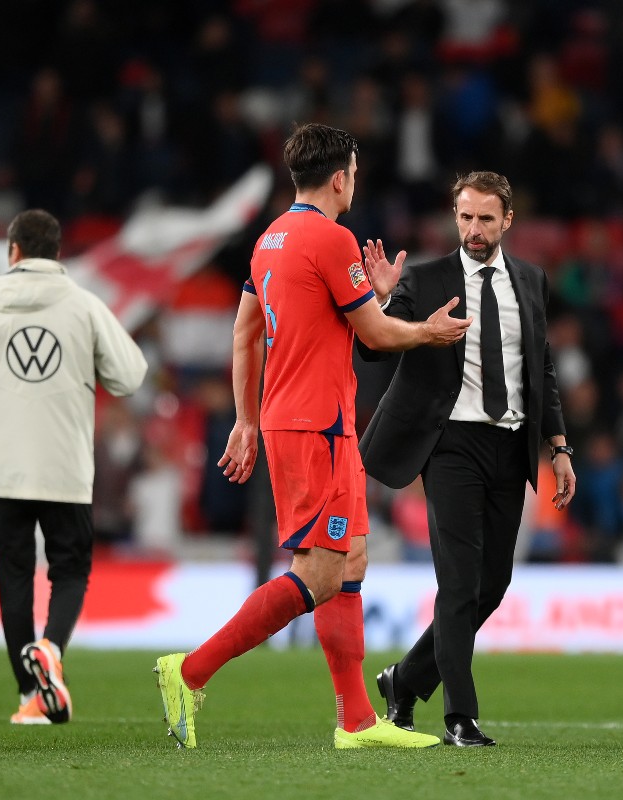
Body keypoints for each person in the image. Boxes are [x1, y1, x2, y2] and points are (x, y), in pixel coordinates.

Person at [152, 123, 470, 750]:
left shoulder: (270, 239)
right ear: (339, 177)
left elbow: (246, 332)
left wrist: (246, 419)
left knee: (350, 557)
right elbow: (376, 337)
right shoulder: (331, 237)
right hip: (314, 424)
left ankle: (355, 722)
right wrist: (428, 332)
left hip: (308, 421)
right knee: (321, 573)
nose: (357, 179)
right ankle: (188, 671)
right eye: (355, 170)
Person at [358, 170, 576, 747]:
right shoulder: (426, 279)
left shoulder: (531, 280)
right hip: (449, 443)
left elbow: (542, 371)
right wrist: (384, 300)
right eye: (464, 217)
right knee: (457, 584)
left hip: (511, 445)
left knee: (493, 583)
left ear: (507, 220)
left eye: (485, 218)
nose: (473, 229)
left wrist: (559, 447)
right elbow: (372, 345)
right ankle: (460, 717)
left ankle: (403, 681)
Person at [0, 209, 147, 725]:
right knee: (70, 570)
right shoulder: (82, 305)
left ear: (13, 251)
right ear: (57, 254)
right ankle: (52, 648)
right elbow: (130, 375)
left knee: (13, 579)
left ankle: (30, 694)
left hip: (1, 468)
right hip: (64, 467)